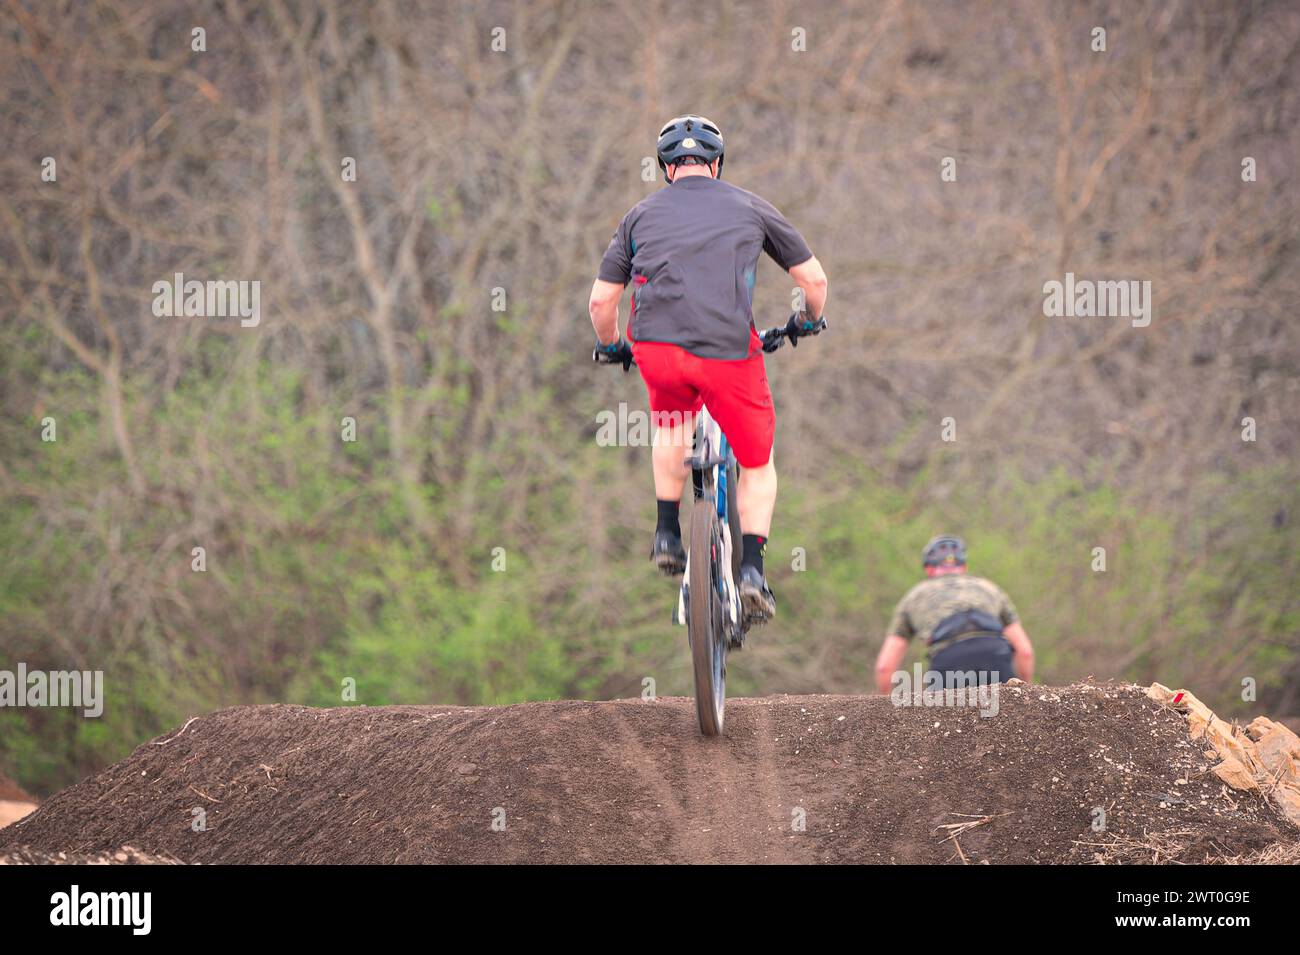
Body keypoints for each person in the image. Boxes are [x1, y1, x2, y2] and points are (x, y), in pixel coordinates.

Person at [589, 115, 828, 627]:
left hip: (657, 347)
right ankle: (751, 573)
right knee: (758, 463)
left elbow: (601, 300)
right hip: (727, 352)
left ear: (664, 168)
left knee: (671, 422)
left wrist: (613, 345)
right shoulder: (749, 206)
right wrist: (805, 321)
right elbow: (814, 279)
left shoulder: (638, 216)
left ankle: (667, 535)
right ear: (716, 164)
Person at [874, 535, 1035, 691]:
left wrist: (888, 713)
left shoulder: (914, 596)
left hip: (949, 659)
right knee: (1003, 716)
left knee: (942, 717)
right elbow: (1025, 651)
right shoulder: (990, 589)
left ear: (928, 569)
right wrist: (1025, 696)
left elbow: (884, 667)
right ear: (963, 567)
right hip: (995, 653)